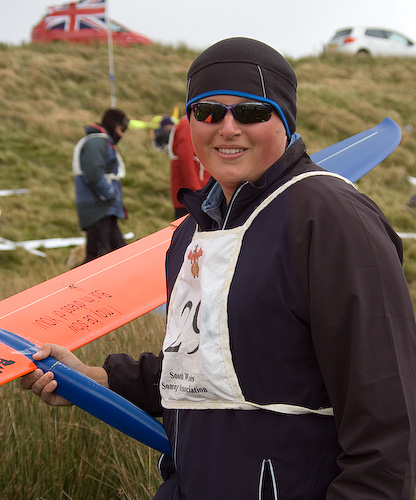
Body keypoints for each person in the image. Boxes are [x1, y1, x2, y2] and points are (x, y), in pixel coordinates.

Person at [22, 38, 416, 500]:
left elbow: (389, 420)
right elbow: (209, 363)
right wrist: (102, 379)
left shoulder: (330, 218)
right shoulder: (191, 232)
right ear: (191, 123)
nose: (228, 127)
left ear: (285, 121)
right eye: (208, 112)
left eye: (251, 112)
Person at [72, 108, 129, 263]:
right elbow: (94, 173)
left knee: (116, 252)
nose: (122, 135)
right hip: (98, 208)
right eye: (121, 129)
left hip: (104, 209)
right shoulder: (96, 142)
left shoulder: (100, 142)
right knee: (100, 257)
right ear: (113, 125)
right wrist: (109, 195)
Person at [169, 115, 210, 218]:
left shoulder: (194, 122)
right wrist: (198, 192)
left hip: (198, 194)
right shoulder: (187, 124)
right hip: (191, 197)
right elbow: (186, 161)